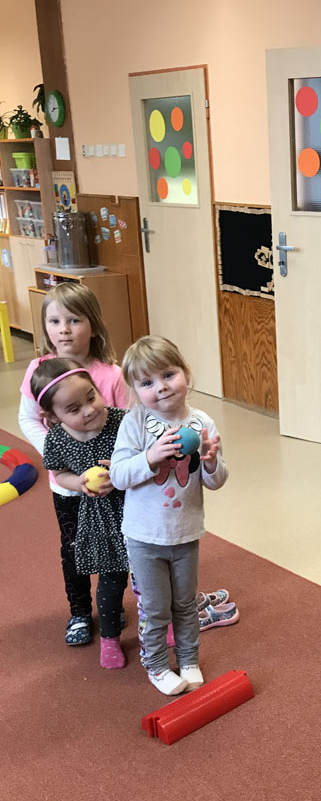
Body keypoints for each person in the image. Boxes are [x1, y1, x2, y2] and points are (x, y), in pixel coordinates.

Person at [110, 336, 228, 696]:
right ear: (135, 390)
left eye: (168, 375)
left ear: (185, 373)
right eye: (147, 382)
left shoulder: (202, 422)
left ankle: (189, 659)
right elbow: (118, 475)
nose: (160, 387)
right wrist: (150, 456)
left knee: (185, 603)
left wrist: (211, 462)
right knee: (155, 608)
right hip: (144, 537)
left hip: (186, 533)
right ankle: (158, 665)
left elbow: (216, 482)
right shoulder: (134, 422)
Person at [18, 282, 127, 646]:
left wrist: (119, 466)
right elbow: (27, 418)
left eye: (74, 320)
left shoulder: (110, 375)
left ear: (93, 326)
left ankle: (112, 605)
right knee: (73, 547)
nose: (63, 329)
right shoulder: (38, 369)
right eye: (54, 321)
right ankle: (80, 612)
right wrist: (60, 452)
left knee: (117, 545)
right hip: (66, 486)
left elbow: (128, 425)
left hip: (111, 486)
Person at [31, 358, 129, 669]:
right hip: (100, 517)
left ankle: (160, 623)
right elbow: (59, 473)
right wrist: (80, 483)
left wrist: (123, 471)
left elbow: (145, 458)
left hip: (137, 508)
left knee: (151, 574)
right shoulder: (57, 439)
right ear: (53, 417)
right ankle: (110, 639)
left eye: (91, 396)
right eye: (74, 409)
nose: (89, 410)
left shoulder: (123, 421)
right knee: (111, 578)